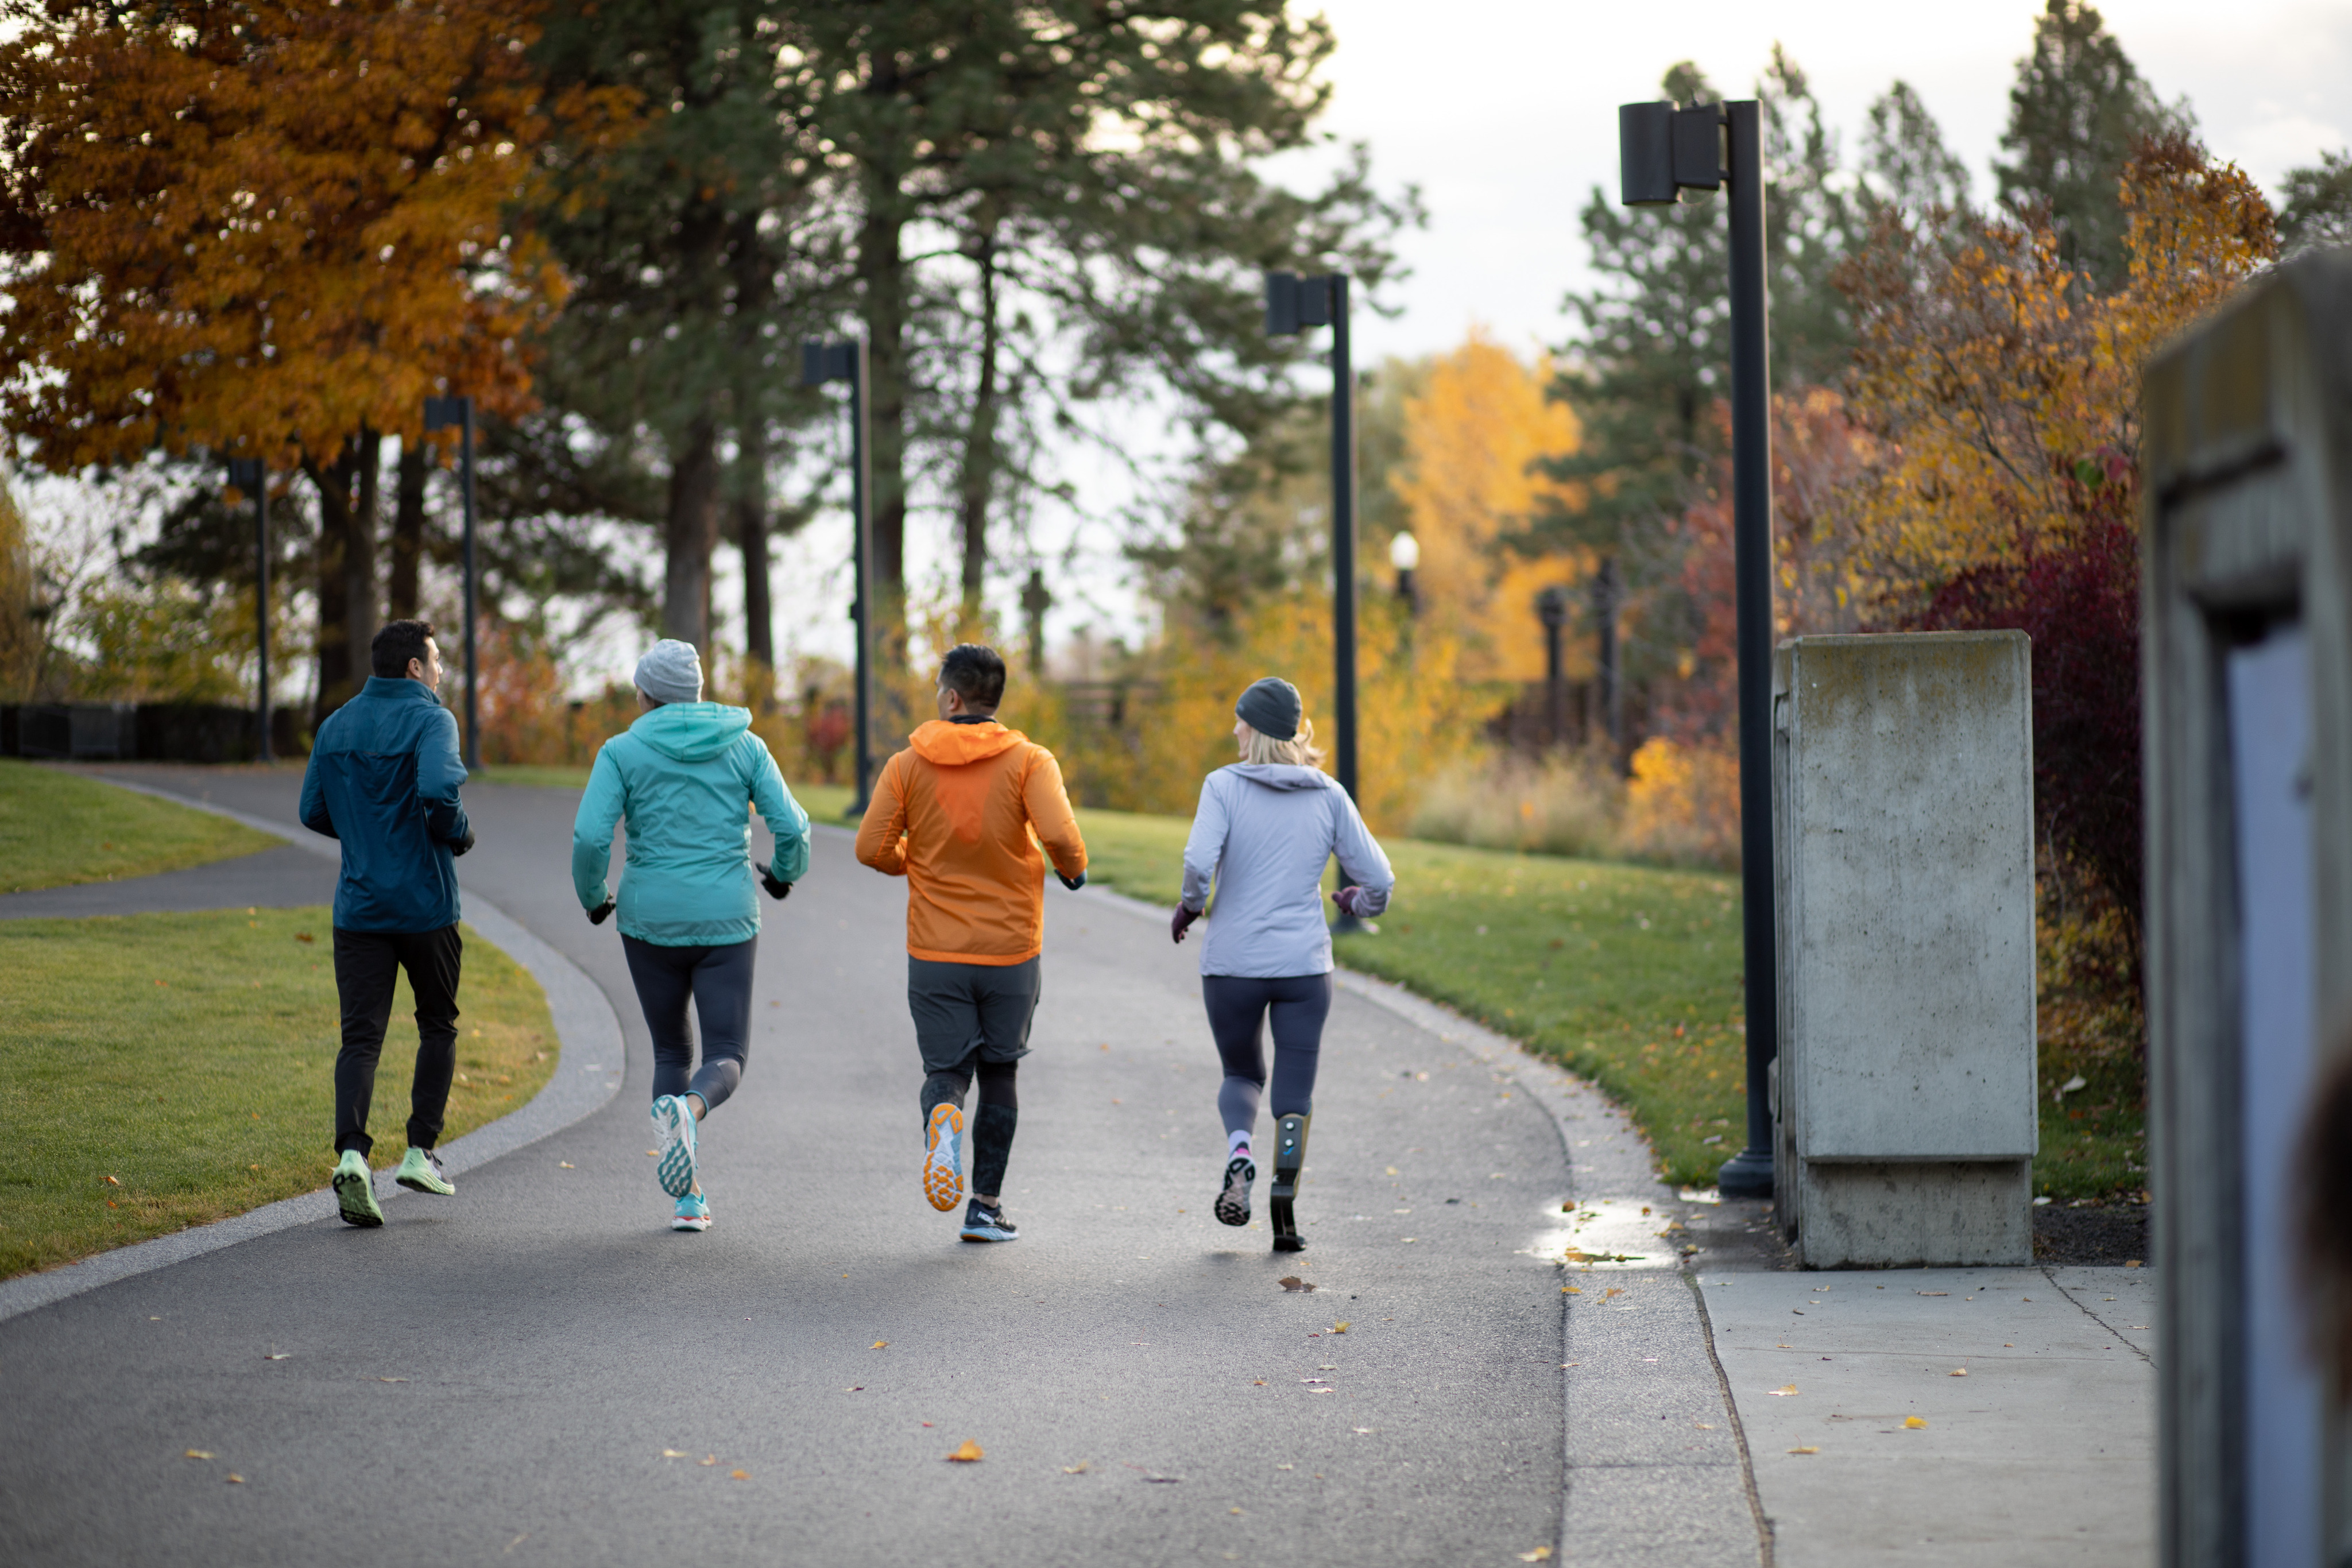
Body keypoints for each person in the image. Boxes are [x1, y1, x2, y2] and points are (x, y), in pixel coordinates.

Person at [572, 640, 809, 1233]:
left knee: (671, 1051)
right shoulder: (745, 745)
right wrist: (782, 875)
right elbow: (791, 825)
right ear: (698, 692)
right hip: (726, 918)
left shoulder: (622, 751)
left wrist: (594, 897)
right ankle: (693, 1109)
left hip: (648, 919)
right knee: (725, 1054)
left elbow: (589, 839)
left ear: (646, 694)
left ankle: (688, 1198)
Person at [855, 642, 1088, 1243]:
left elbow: (871, 848)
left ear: (951, 697)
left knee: (947, 1069)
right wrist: (1073, 868)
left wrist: (915, 863)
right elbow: (1060, 833)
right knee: (1001, 1072)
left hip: (935, 950)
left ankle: (942, 1117)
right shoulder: (1030, 761)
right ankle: (984, 1207)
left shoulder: (907, 765)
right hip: (1011, 949)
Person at [1171, 677, 1394, 1252]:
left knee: (1241, 1075)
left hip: (1233, 967)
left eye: (1239, 720)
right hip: (1302, 967)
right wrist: (1357, 903)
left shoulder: (1222, 786)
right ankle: (1284, 1199)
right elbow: (1381, 879)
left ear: (1254, 728)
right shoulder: (1327, 794)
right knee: (1294, 1089)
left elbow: (1198, 861)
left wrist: (1192, 906)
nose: (1233, 729)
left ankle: (1239, 1154)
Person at [301, 618, 477, 1228]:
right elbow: (436, 791)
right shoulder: (434, 719)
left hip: (358, 910)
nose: (440, 672)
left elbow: (311, 809)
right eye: (436, 661)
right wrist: (458, 831)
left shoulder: (336, 724)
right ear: (413, 668)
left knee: (361, 1037)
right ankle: (420, 1151)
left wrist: (366, 834)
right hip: (426, 907)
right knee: (438, 1023)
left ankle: (352, 1154)